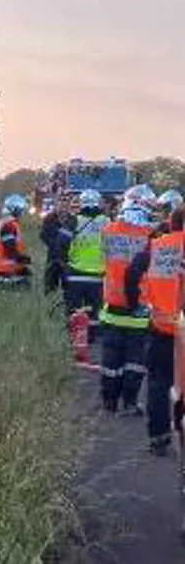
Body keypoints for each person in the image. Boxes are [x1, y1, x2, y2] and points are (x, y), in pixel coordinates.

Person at [125, 207, 184, 455]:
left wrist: (133, 302)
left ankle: (159, 439)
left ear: (171, 223)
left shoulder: (157, 247)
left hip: (163, 329)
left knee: (159, 385)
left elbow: (130, 273)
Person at [98, 187, 158, 415]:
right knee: (135, 362)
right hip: (139, 311)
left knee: (110, 360)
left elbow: (103, 260)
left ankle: (109, 401)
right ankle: (130, 403)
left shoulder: (109, 230)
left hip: (112, 307)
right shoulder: (151, 236)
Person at [60, 189, 109, 345]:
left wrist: (63, 263)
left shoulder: (73, 220)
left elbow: (61, 243)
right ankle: (91, 340)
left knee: (74, 309)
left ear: (81, 203)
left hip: (75, 274)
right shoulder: (106, 222)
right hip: (98, 276)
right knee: (94, 311)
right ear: (98, 203)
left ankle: (74, 340)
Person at [0, 194, 32, 287]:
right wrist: (24, 260)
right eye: (21, 210)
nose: (22, 213)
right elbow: (10, 249)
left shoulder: (4, 223)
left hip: (3, 271)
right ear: (15, 210)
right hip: (7, 273)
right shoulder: (9, 225)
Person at [40, 198, 71, 296]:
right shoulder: (49, 219)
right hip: (53, 257)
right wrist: (54, 245)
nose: (63, 209)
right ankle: (50, 300)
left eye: (65, 207)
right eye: (61, 206)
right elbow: (43, 235)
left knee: (68, 286)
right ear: (56, 207)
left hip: (67, 258)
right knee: (50, 285)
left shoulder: (73, 220)